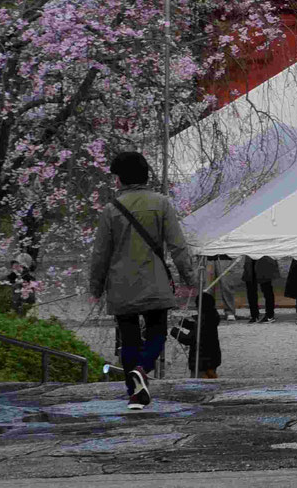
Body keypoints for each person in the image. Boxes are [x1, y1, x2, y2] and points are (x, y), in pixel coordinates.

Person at [88, 150, 193, 409]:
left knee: (129, 338)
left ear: (120, 180)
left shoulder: (111, 211)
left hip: (122, 286)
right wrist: (188, 275)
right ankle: (143, 369)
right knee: (157, 332)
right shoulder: (162, 203)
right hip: (154, 281)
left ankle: (134, 394)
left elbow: (101, 254)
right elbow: (177, 245)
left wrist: (96, 287)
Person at [242, 256, 279, 324]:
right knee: (251, 289)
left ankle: (269, 315)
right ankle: (254, 315)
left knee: (266, 288)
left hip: (264, 259)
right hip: (250, 260)